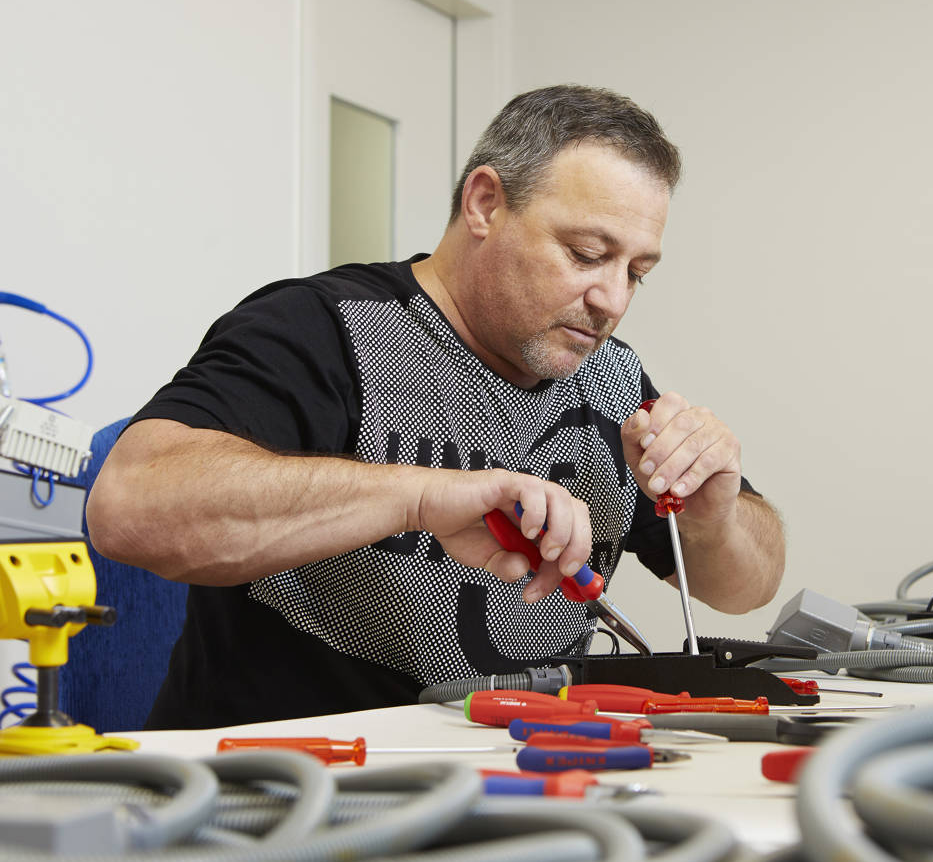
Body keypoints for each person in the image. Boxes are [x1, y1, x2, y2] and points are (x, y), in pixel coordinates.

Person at [86, 85, 786, 730]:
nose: (612, 300)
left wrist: (713, 516)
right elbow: (130, 505)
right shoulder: (326, 330)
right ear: (484, 204)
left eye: (635, 272)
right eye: (584, 253)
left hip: (523, 791)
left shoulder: (612, 380)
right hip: (295, 807)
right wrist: (423, 496)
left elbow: (747, 586)